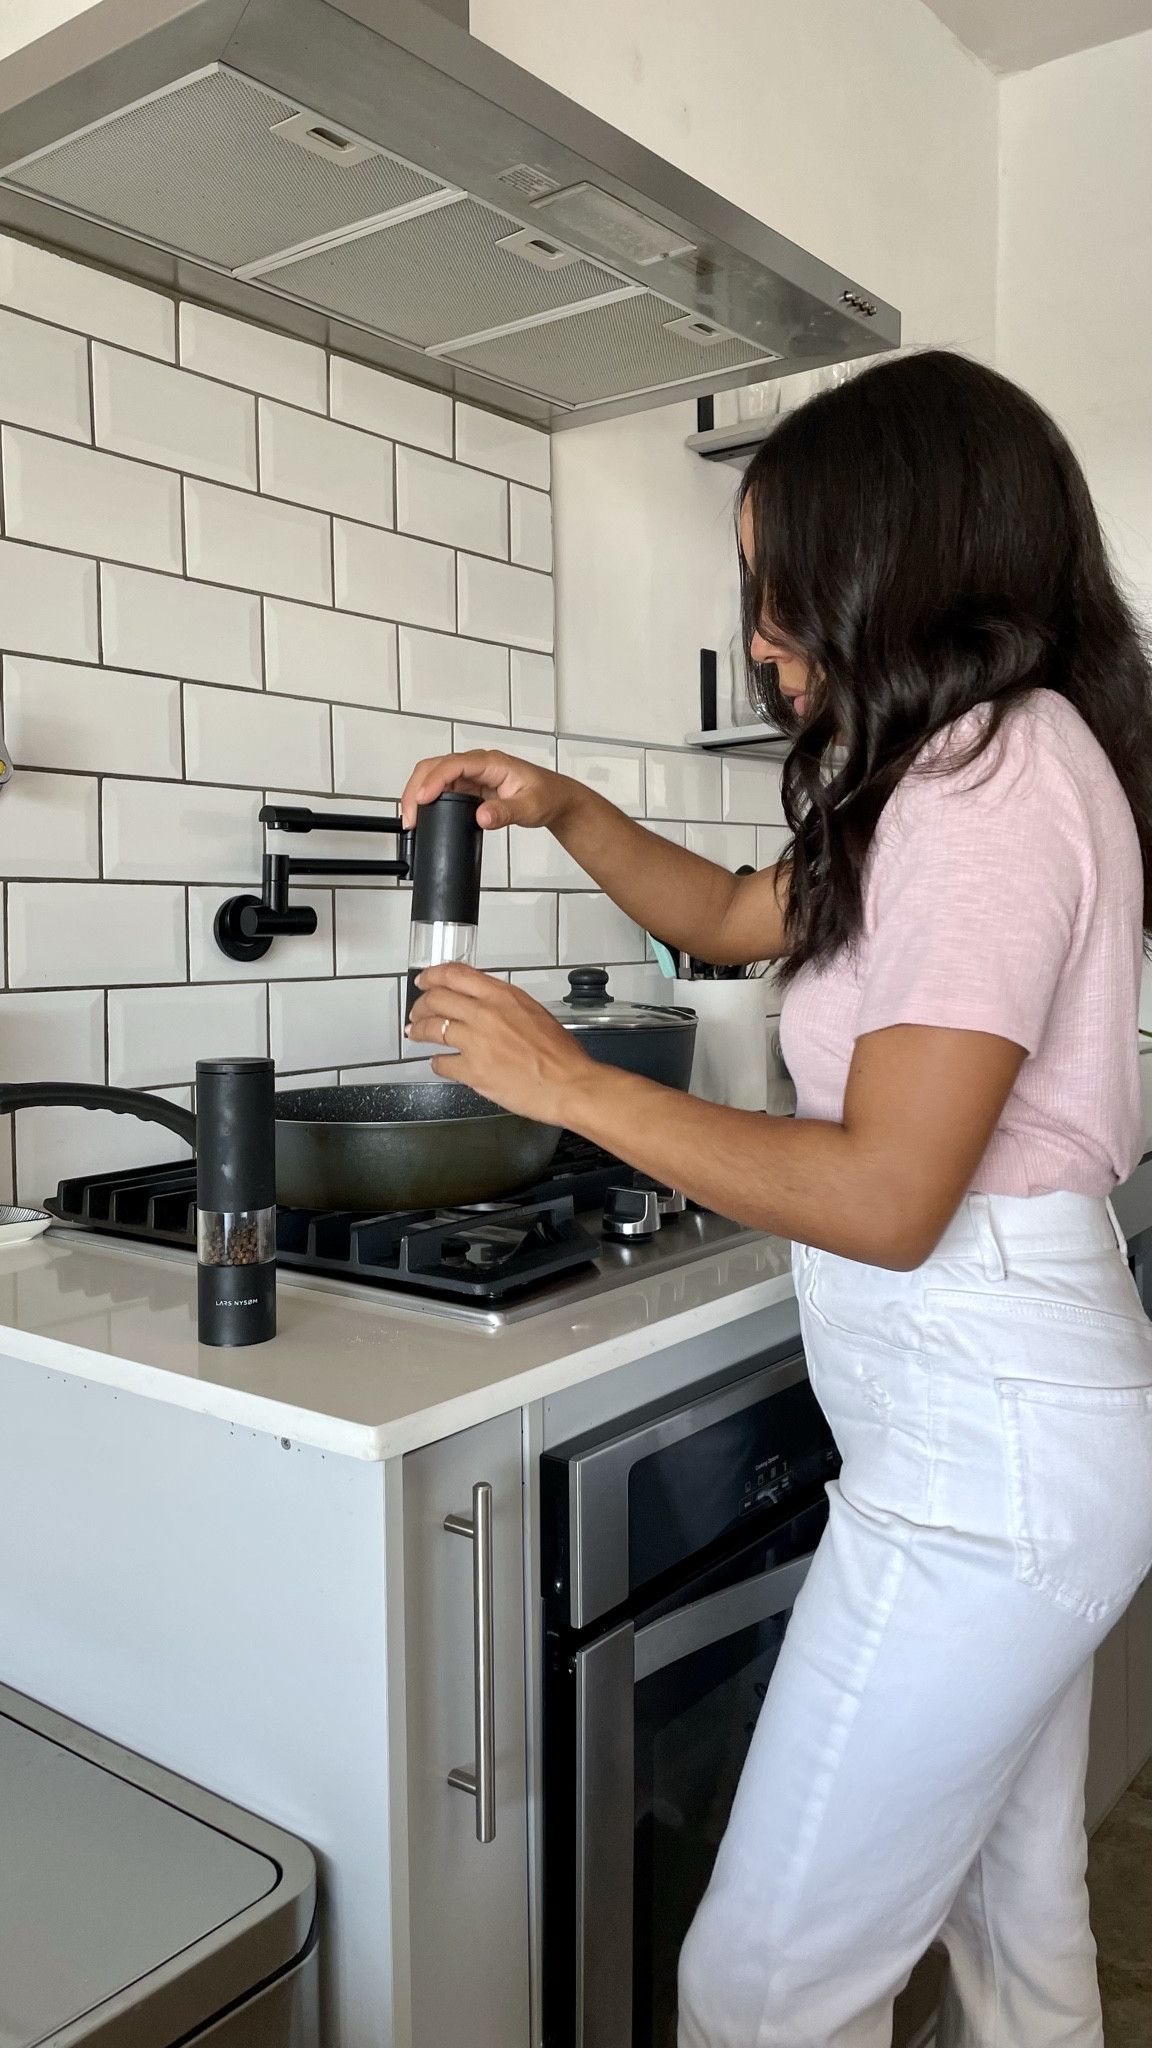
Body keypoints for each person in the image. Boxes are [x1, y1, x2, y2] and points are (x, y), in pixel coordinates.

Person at [402, 349, 1152, 2048]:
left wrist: (572, 1084)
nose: (761, 634)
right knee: (1017, 1918)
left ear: (902, 558)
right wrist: (571, 808)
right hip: (994, 1441)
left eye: (781, 588)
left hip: (986, 1468)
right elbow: (744, 916)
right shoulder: (951, 771)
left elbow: (891, 1192)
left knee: (755, 1989)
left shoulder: (986, 780)